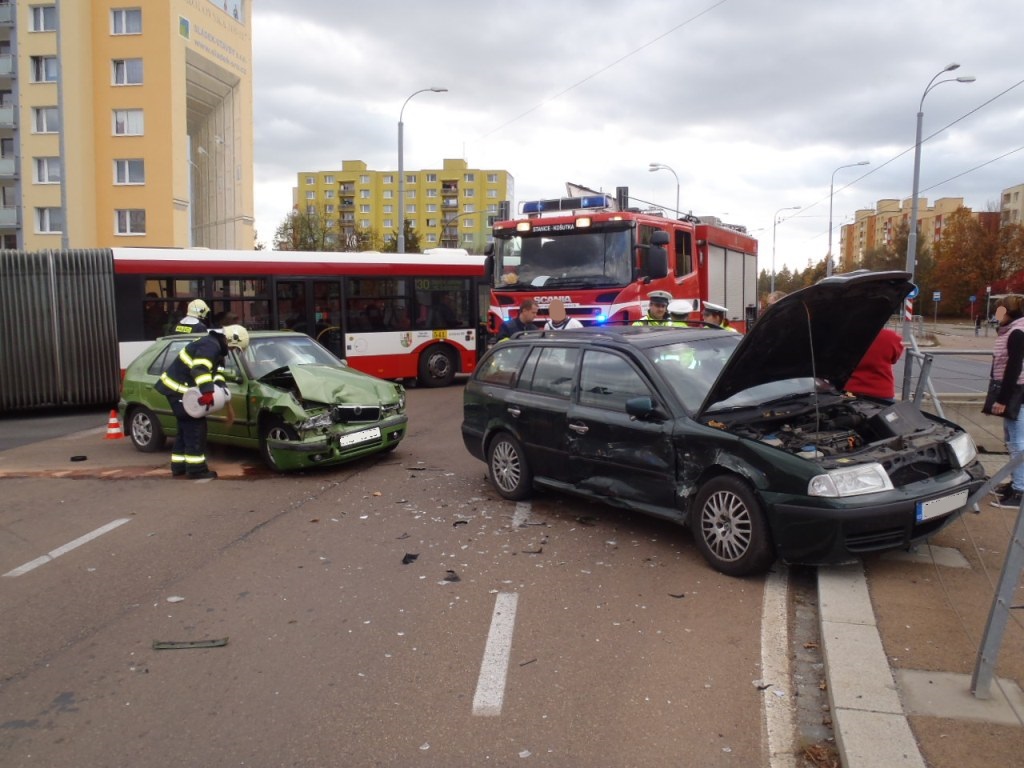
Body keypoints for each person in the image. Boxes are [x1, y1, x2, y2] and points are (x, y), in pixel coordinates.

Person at [155, 324, 249, 480]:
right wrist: (207, 391)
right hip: (178, 390)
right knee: (195, 428)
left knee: (185, 428)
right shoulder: (210, 346)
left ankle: (179, 467)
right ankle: (196, 470)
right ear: (230, 340)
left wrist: (220, 387)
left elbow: (217, 372)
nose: (233, 351)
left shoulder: (216, 347)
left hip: (180, 391)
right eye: (234, 348)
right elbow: (199, 368)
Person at [988, 295, 1024, 508]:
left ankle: (1019, 491)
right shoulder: (1015, 330)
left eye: (999, 311)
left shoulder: (1017, 332)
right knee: (1012, 439)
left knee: (1017, 442)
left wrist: (1003, 399)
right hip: (1016, 391)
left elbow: (1014, 368)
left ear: (1008, 312)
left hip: (1017, 393)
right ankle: (1015, 483)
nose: (996, 315)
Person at [845, 328, 904, 402]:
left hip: (849, 390)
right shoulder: (891, 336)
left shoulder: (844, 335)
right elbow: (894, 359)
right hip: (881, 392)